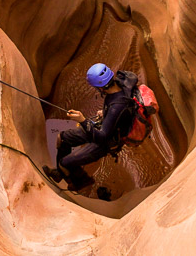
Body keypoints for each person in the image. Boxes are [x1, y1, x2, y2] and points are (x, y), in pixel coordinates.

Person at [43, 63, 139, 192]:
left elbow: (102, 137)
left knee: (65, 162)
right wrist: (105, 113)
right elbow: (118, 112)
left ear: (101, 87)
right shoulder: (119, 84)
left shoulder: (117, 106)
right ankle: (61, 172)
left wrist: (82, 120)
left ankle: (81, 181)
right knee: (62, 138)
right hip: (105, 126)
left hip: (107, 141)